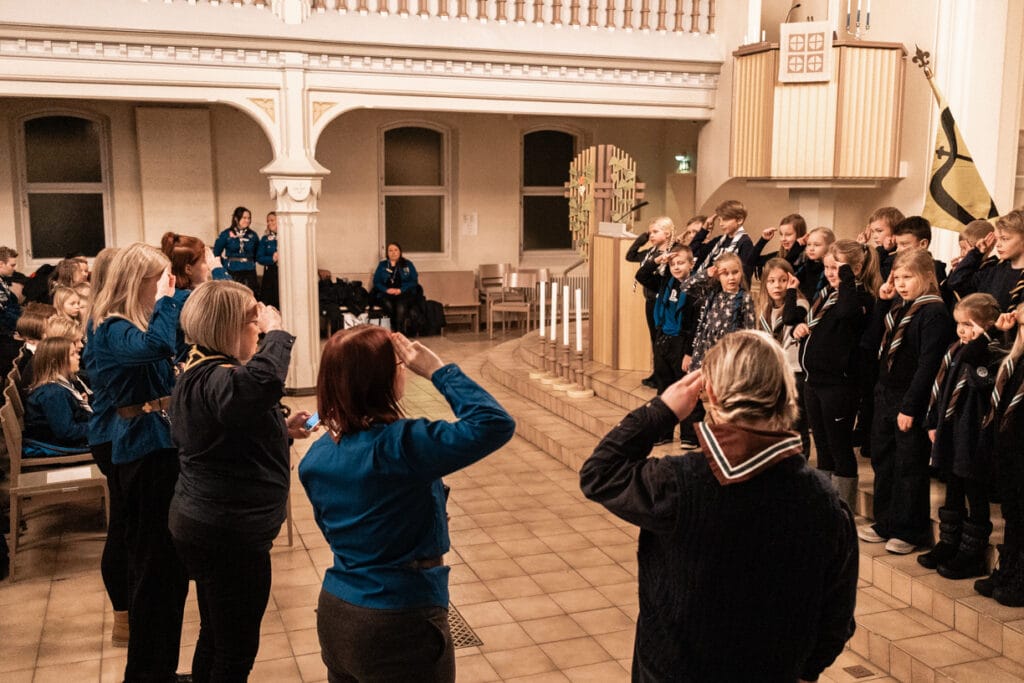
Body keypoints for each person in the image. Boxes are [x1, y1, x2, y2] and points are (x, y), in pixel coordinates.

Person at [580, 330, 857, 682]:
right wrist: (804, 671)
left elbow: (599, 473)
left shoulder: (679, 485)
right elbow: (836, 619)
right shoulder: (827, 503)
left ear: (710, 392)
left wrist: (661, 411)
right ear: (786, 392)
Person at [299, 327, 515, 682]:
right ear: (382, 378)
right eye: (398, 364)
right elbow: (494, 423)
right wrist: (438, 370)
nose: (403, 370)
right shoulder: (401, 446)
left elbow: (334, 527)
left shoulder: (317, 457)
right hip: (399, 618)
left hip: (339, 612)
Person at [169, 280, 312, 682]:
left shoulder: (202, 369)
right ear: (229, 326)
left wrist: (280, 430)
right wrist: (279, 333)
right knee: (235, 650)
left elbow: (218, 435)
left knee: (216, 632)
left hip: (209, 523)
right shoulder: (215, 375)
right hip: (226, 532)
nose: (259, 331)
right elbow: (260, 386)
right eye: (254, 323)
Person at [89, 243, 191, 680]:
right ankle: (149, 673)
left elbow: (172, 337)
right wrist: (169, 302)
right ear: (139, 283)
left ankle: (158, 670)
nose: (165, 287)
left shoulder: (129, 324)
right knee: (155, 572)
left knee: (164, 572)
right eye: (160, 280)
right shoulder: (112, 329)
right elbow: (158, 345)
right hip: (144, 455)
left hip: (154, 448)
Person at [860, 248, 955, 554]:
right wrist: (883, 301)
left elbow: (928, 365)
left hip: (910, 398)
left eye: (907, 277)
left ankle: (910, 530)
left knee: (909, 465)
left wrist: (910, 407)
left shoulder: (934, 312)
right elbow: (874, 339)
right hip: (885, 392)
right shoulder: (902, 305)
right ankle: (886, 521)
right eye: (897, 277)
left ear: (927, 278)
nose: (900, 283)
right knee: (884, 459)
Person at [920, 293, 1001, 579]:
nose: (962, 331)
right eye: (959, 324)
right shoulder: (955, 349)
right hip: (951, 433)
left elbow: (983, 384)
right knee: (952, 489)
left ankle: (973, 552)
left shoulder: (991, 355)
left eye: (970, 325)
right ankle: (949, 542)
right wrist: (933, 422)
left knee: (975, 493)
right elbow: (940, 388)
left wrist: (983, 340)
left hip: (974, 438)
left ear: (989, 326)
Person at [795, 240, 880, 510]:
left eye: (837, 268)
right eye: (828, 267)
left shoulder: (860, 298)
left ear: (855, 268)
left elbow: (847, 313)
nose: (831, 273)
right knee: (822, 444)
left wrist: (847, 278)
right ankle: (823, 505)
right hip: (814, 380)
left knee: (839, 445)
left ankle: (842, 508)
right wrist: (801, 330)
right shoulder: (827, 295)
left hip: (839, 385)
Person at [80, 245, 130, 648]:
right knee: (124, 527)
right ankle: (124, 617)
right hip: (112, 432)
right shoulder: (109, 325)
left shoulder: (102, 319)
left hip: (109, 430)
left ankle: (127, 616)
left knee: (126, 525)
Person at [975, 306, 1024, 605]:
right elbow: (974, 357)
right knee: (1013, 514)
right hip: (1009, 451)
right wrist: (998, 331)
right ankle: (1009, 568)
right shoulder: (1014, 359)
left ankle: (1020, 577)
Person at [634, 242, 697, 444]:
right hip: (663, 339)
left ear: (691, 264)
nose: (676, 267)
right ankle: (664, 433)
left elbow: (696, 325)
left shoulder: (696, 289)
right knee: (664, 388)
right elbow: (641, 276)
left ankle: (689, 436)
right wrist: (657, 261)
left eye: (681, 263)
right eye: (673, 264)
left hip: (682, 342)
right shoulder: (665, 282)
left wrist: (689, 352)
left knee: (685, 389)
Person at [757, 257, 811, 454]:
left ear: (792, 280)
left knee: (796, 423)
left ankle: (801, 461)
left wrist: (791, 292)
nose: (777, 285)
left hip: (795, 370)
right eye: (771, 281)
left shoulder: (800, 304)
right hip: (774, 371)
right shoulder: (765, 309)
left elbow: (790, 317)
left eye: (782, 280)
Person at [626, 216, 674, 388]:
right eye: (650, 232)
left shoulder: (670, 253)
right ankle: (656, 373)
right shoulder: (650, 253)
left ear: (667, 234)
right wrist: (643, 238)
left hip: (662, 301)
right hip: (650, 301)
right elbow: (630, 256)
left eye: (655, 232)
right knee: (654, 339)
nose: (652, 235)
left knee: (661, 339)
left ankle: (663, 375)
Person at [23, 337, 90, 457]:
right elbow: (67, 432)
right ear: (56, 362)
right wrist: (100, 426)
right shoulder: (53, 393)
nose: (78, 357)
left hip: (62, 439)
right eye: (72, 354)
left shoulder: (59, 385)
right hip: (60, 445)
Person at [688, 199, 755, 278]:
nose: (721, 224)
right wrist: (704, 230)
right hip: (706, 286)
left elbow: (745, 275)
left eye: (725, 219)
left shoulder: (745, 243)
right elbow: (691, 252)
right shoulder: (718, 241)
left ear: (739, 220)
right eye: (719, 220)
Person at [372, 242, 419, 335]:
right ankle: (397, 329)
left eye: (395, 250)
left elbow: (414, 281)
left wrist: (400, 290)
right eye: (390, 250)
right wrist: (386, 290)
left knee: (400, 306)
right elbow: (376, 282)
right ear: (387, 253)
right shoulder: (382, 265)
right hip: (386, 293)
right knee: (388, 305)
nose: (393, 253)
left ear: (400, 252)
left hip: (404, 292)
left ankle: (398, 332)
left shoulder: (408, 264)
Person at [213, 206, 260, 293]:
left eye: (249, 218)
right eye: (244, 218)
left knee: (251, 294)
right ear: (236, 219)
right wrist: (225, 264)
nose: (247, 220)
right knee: (234, 294)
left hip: (249, 271)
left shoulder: (253, 235)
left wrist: (250, 262)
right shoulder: (226, 234)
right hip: (233, 270)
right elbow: (216, 253)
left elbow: (257, 253)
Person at [749, 213, 807, 279]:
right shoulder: (778, 256)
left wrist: (797, 247)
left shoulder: (807, 260)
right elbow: (751, 261)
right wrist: (763, 240)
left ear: (800, 235)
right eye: (781, 234)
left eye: (788, 234)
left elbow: (785, 268)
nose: (783, 239)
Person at [0, 246, 22, 376]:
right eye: (12, 265)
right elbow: (3, 315)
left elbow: (12, 305)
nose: (14, 268)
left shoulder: (3, 281)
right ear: (1, 264)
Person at [257, 211, 280, 308]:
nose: (269, 223)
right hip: (270, 273)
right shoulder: (265, 239)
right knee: (270, 304)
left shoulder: (289, 237)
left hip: (286, 273)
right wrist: (272, 258)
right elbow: (259, 257)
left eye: (272, 220)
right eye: (268, 221)